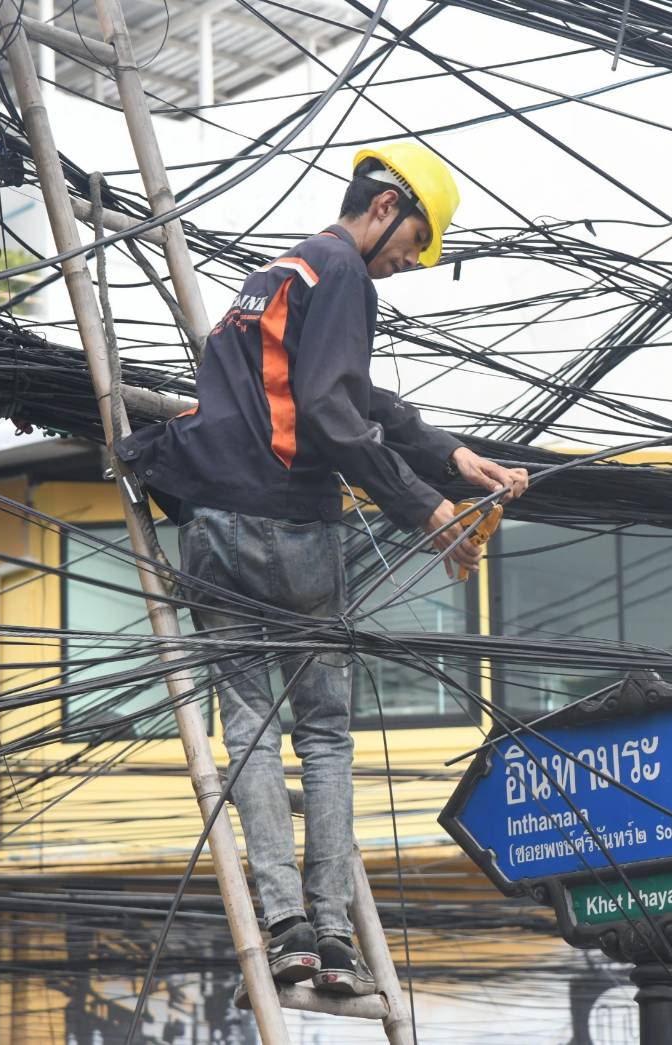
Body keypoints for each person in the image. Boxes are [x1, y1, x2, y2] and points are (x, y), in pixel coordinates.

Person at [117, 142, 529, 996]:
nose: (411, 260)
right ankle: (333, 933)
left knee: (249, 730)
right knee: (325, 734)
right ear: (383, 207)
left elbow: (351, 395)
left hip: (210, 530)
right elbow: (331, 411)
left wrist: (450, 455)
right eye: (415, 240)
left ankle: (285, 928)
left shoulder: (277, 277)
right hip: (289, 527)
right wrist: (430, 508)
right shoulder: (344, 272)